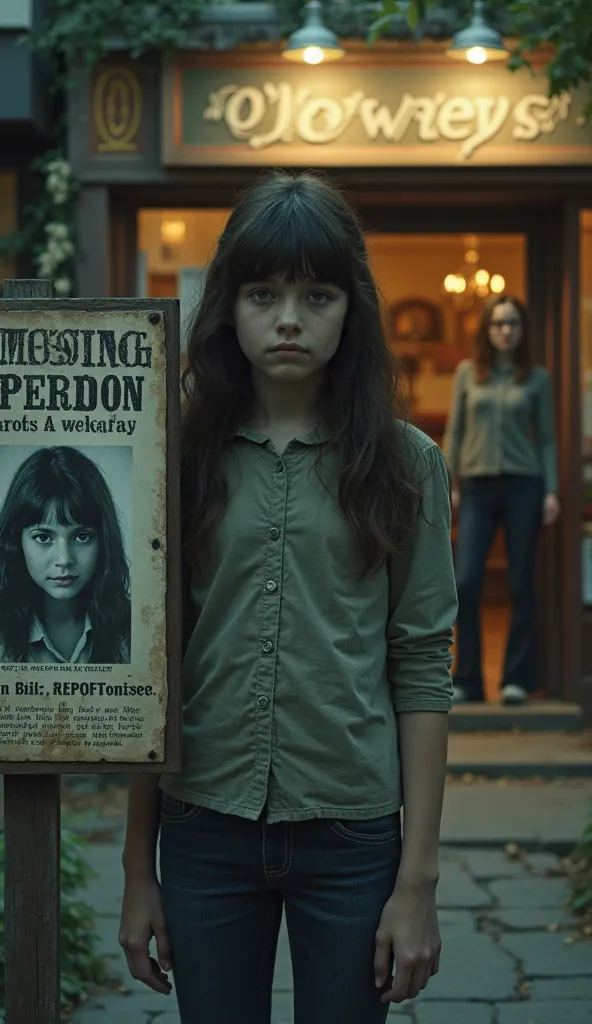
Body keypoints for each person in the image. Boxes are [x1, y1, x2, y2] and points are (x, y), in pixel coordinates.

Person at [119, 170, 457, 1024]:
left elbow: (421, 667)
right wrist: (136, 871)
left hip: (354, 836)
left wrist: (416, 882)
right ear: (228, 307)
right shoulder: (179, 456)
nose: (290, 319)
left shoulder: (404, 463)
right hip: (203, 830)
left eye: (318, 294)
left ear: (354, 309)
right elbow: (152, 665)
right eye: (263, 293)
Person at [443, 295, 560, 707]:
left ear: (522, 330)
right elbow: (455, 432)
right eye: (497, 324)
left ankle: (517, 679)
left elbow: (546, 437)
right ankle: (469, 679)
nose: (505, 331)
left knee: (521, 582)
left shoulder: (537, 378)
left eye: (512, 323)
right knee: (467, 581)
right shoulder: (467, 373)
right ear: (487, 330)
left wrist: (551, 490)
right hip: (476, 486)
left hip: (524, 486)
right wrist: (448, 483)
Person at [0, 445, 131, 664]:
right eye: (43, 538)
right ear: (16, 540)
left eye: (81, 537)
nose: (64, 560)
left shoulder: (139, 631)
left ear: (104, 540)